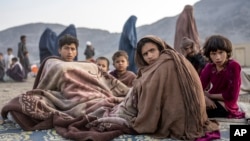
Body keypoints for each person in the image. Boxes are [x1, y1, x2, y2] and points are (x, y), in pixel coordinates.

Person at [200, 35, 245, 119]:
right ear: (209, 55)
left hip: (227, 105)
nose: (218, 57)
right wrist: (205, 98)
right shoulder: (209, 67)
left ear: (227, 52)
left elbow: (231, 95)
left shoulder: (233, 66)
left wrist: (209, 96)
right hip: (211, 101)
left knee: (196, 112)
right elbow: (199, 86)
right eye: (213, 54)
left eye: (221, 52)